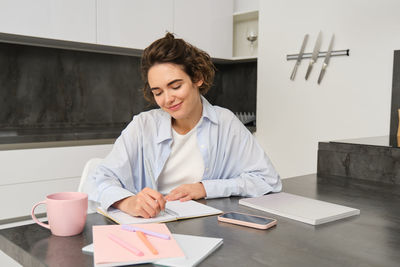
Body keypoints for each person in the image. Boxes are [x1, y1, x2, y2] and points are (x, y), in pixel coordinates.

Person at [88, 33, 281, 218]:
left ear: (197, 78)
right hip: (153, 226)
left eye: (175, 86)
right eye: (158, 92)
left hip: (209, 226)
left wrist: (205, 188)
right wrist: (127, 202)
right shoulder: (143, 126)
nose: (168, 99)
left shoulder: (225, 123)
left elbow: (267, 180)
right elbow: (99, 180)